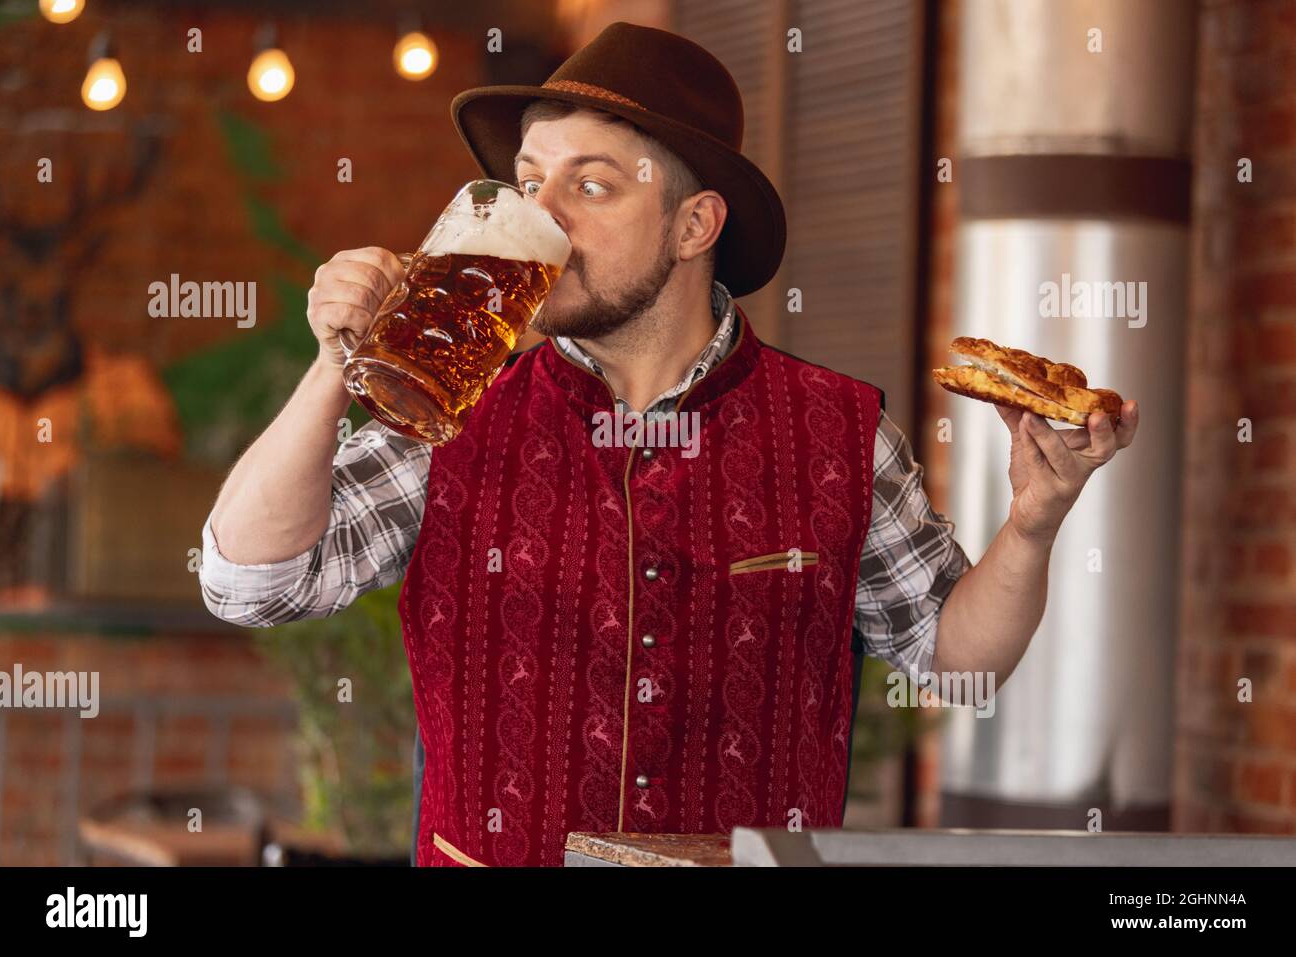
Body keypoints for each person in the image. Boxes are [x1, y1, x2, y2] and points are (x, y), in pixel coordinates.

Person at [199, 21, 1138, 867]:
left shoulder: (839, 430)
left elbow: (957, 659)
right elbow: (248, 582)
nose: (543, 215)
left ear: (694, 225)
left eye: (591, 185)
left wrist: (1033, 522)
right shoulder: (455, 411)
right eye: (529, 182)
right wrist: (335, 368)